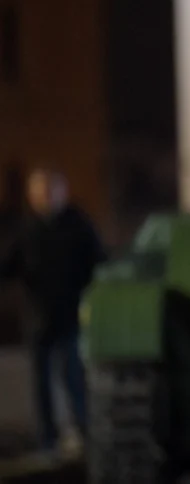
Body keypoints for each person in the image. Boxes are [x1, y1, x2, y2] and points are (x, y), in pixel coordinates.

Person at [0, 169, 105, 456]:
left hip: (71, 316)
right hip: (38, 318)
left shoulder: (79, 225)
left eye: (49, 191)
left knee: (74, 377)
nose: (44, 198)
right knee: (41, 383)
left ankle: (83, 432)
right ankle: (48, 438)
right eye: (38, 193)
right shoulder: (27, 229)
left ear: (62, 192)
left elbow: (99, 262)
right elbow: (10, 266)